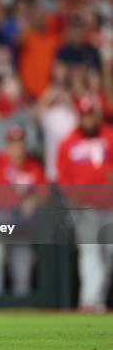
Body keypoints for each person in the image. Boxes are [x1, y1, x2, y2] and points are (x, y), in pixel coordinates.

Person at [56, 96, 113, 313]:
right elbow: (61, 176)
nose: (88, 120)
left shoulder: (109, 135)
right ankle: (88, 302)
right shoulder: (69, 141)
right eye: (84, 115)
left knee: (108, 255)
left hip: (109, 206)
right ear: (79, 116)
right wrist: (72, 196)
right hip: (84, 207)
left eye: (91, 114)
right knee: (91, 252)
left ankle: (96, 301)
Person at [0, 124, 47, 297]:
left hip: (20, 225)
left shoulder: (33, 167)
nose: (17, 148)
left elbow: (44, 194)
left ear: (25, 145)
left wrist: (34, 199)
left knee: (23, 264)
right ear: (7, 146)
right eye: (12, 143)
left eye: (19, 143)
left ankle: (21, 307)